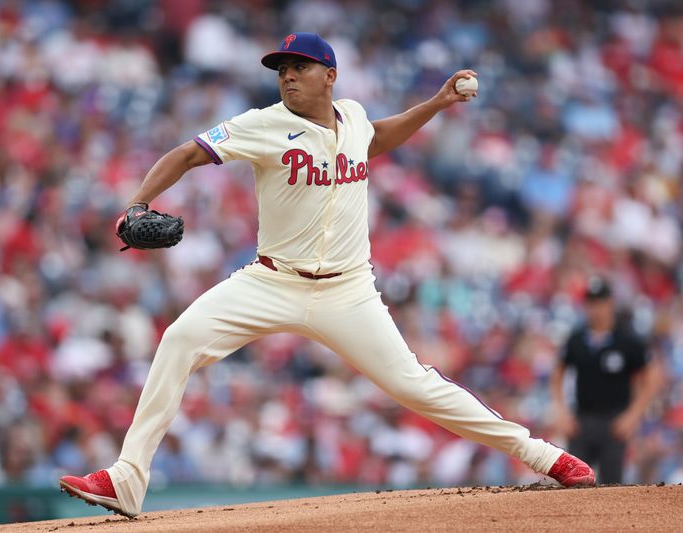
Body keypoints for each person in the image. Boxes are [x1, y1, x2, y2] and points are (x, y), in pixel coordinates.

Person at [60, 32, 595, 518]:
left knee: (416, 387)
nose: (288, 75)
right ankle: (126, 482)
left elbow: (378, 138)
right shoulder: (262, 124)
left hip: (348, 290)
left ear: (330, 75)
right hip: (270, 281)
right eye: (282, 68)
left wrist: (435, 103)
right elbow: (186, 154)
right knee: (179, 339)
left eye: (300, 66)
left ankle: (545, 457)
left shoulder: (354, 117)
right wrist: (136, 204)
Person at [551, 275, 662, 484]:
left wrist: (634, 415)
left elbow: (651, 377)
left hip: (615, 423)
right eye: (591, 303)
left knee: (613, 484)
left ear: (610, 303)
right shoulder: (576, 339)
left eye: (600, 302)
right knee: (576, 483)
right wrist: (561, 411)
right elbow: (557, 373)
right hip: (582, 421)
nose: (595, 308)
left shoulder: (627, 340)